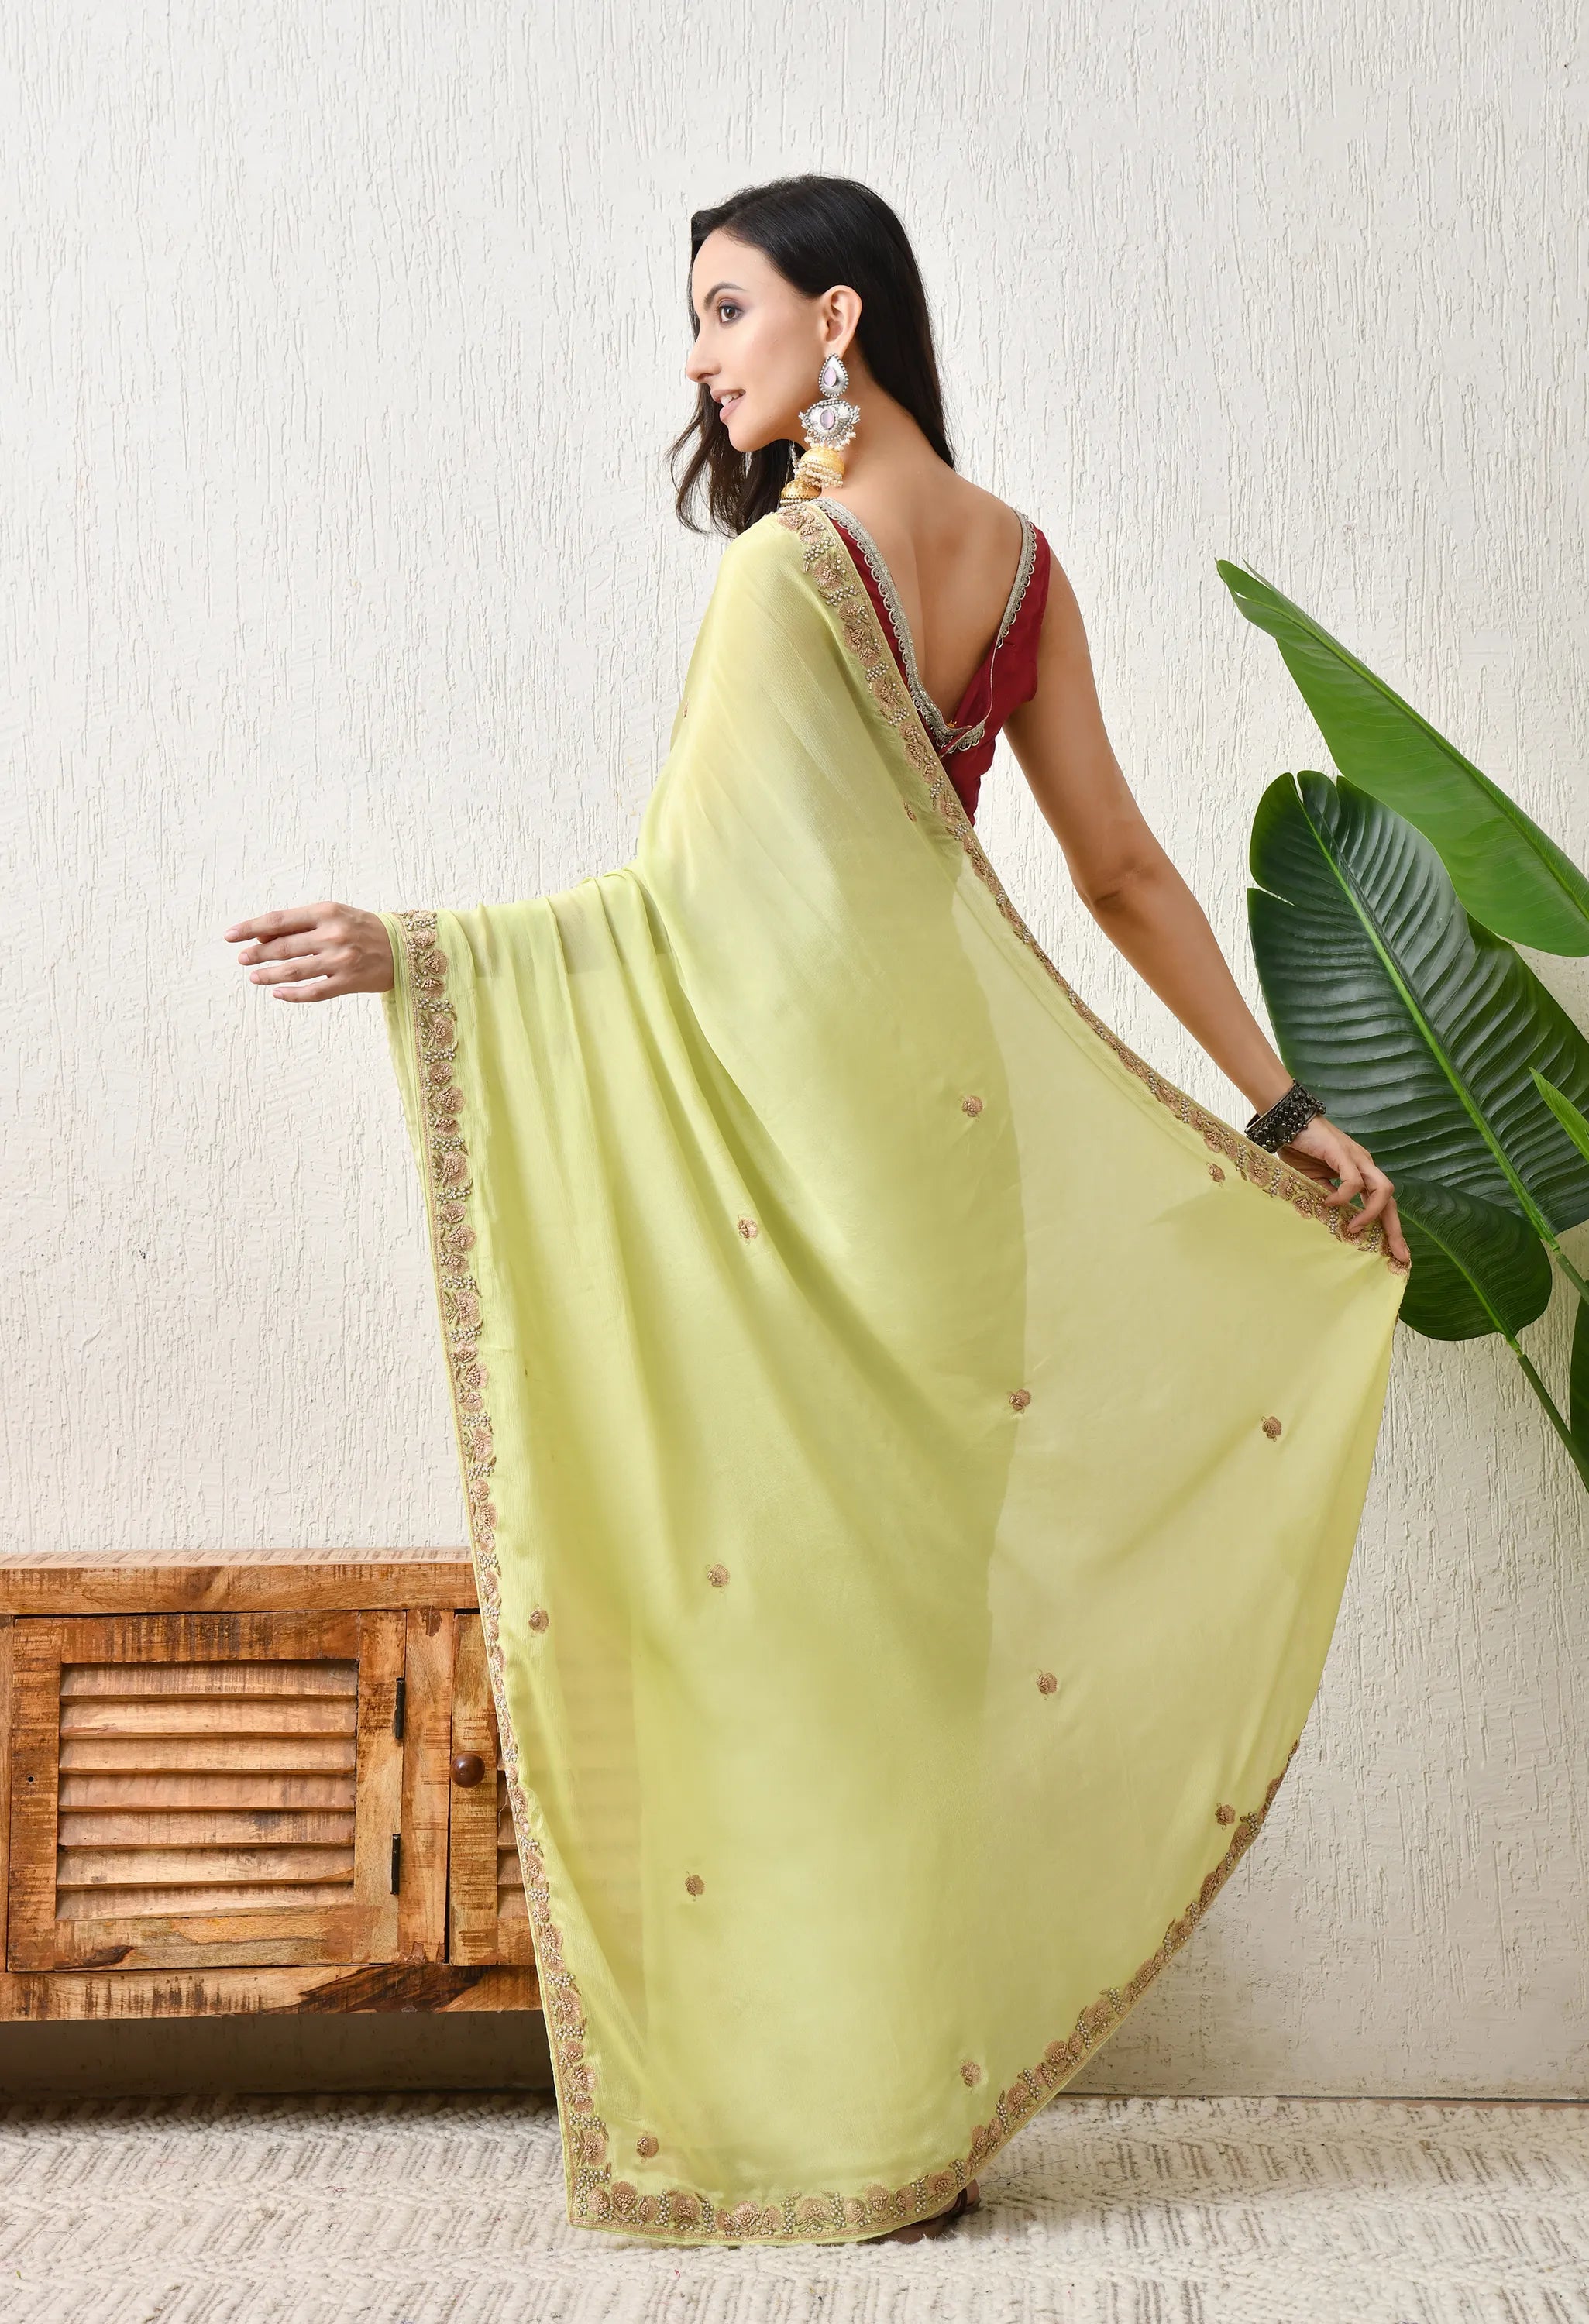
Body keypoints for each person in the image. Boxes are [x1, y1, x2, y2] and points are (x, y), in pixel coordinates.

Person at [225, 174, 1410, 2250]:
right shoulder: (1020, 566)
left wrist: (423, 950)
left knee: (801, 1630)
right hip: (952, 1170)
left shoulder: (788, 577)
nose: (699, 356)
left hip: (810, 1169)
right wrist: (1280, 1101)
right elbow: (1120, 871)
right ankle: (918, 2121)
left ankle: (830, 2117)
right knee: (920, 1633)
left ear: (834, 319)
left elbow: (694, 918)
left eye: (722, 309)